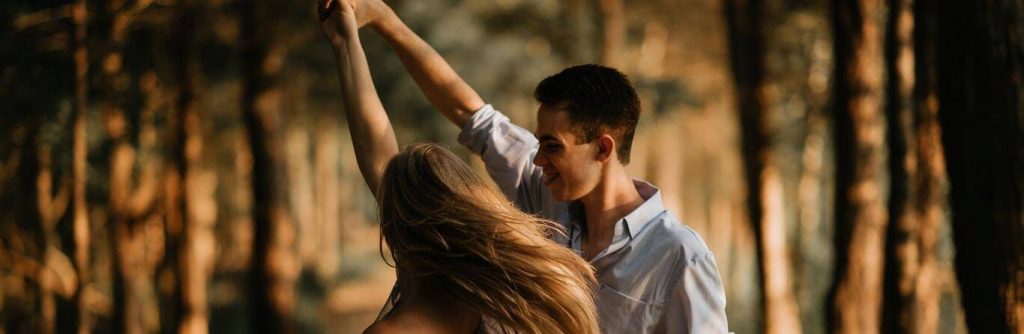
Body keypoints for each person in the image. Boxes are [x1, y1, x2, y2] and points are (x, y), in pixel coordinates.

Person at [343, 0, 731, 332]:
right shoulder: (542, 197)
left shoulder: (679, 258)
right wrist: (384, 20)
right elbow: (468, 112)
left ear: (602, 148)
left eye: (551, 146)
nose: (537, 158)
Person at [317, 1, 601, 333]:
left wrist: (347, 41)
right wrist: (349, 39)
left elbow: (385, 158)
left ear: (403, 226)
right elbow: (387, 152)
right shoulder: (519, 305)